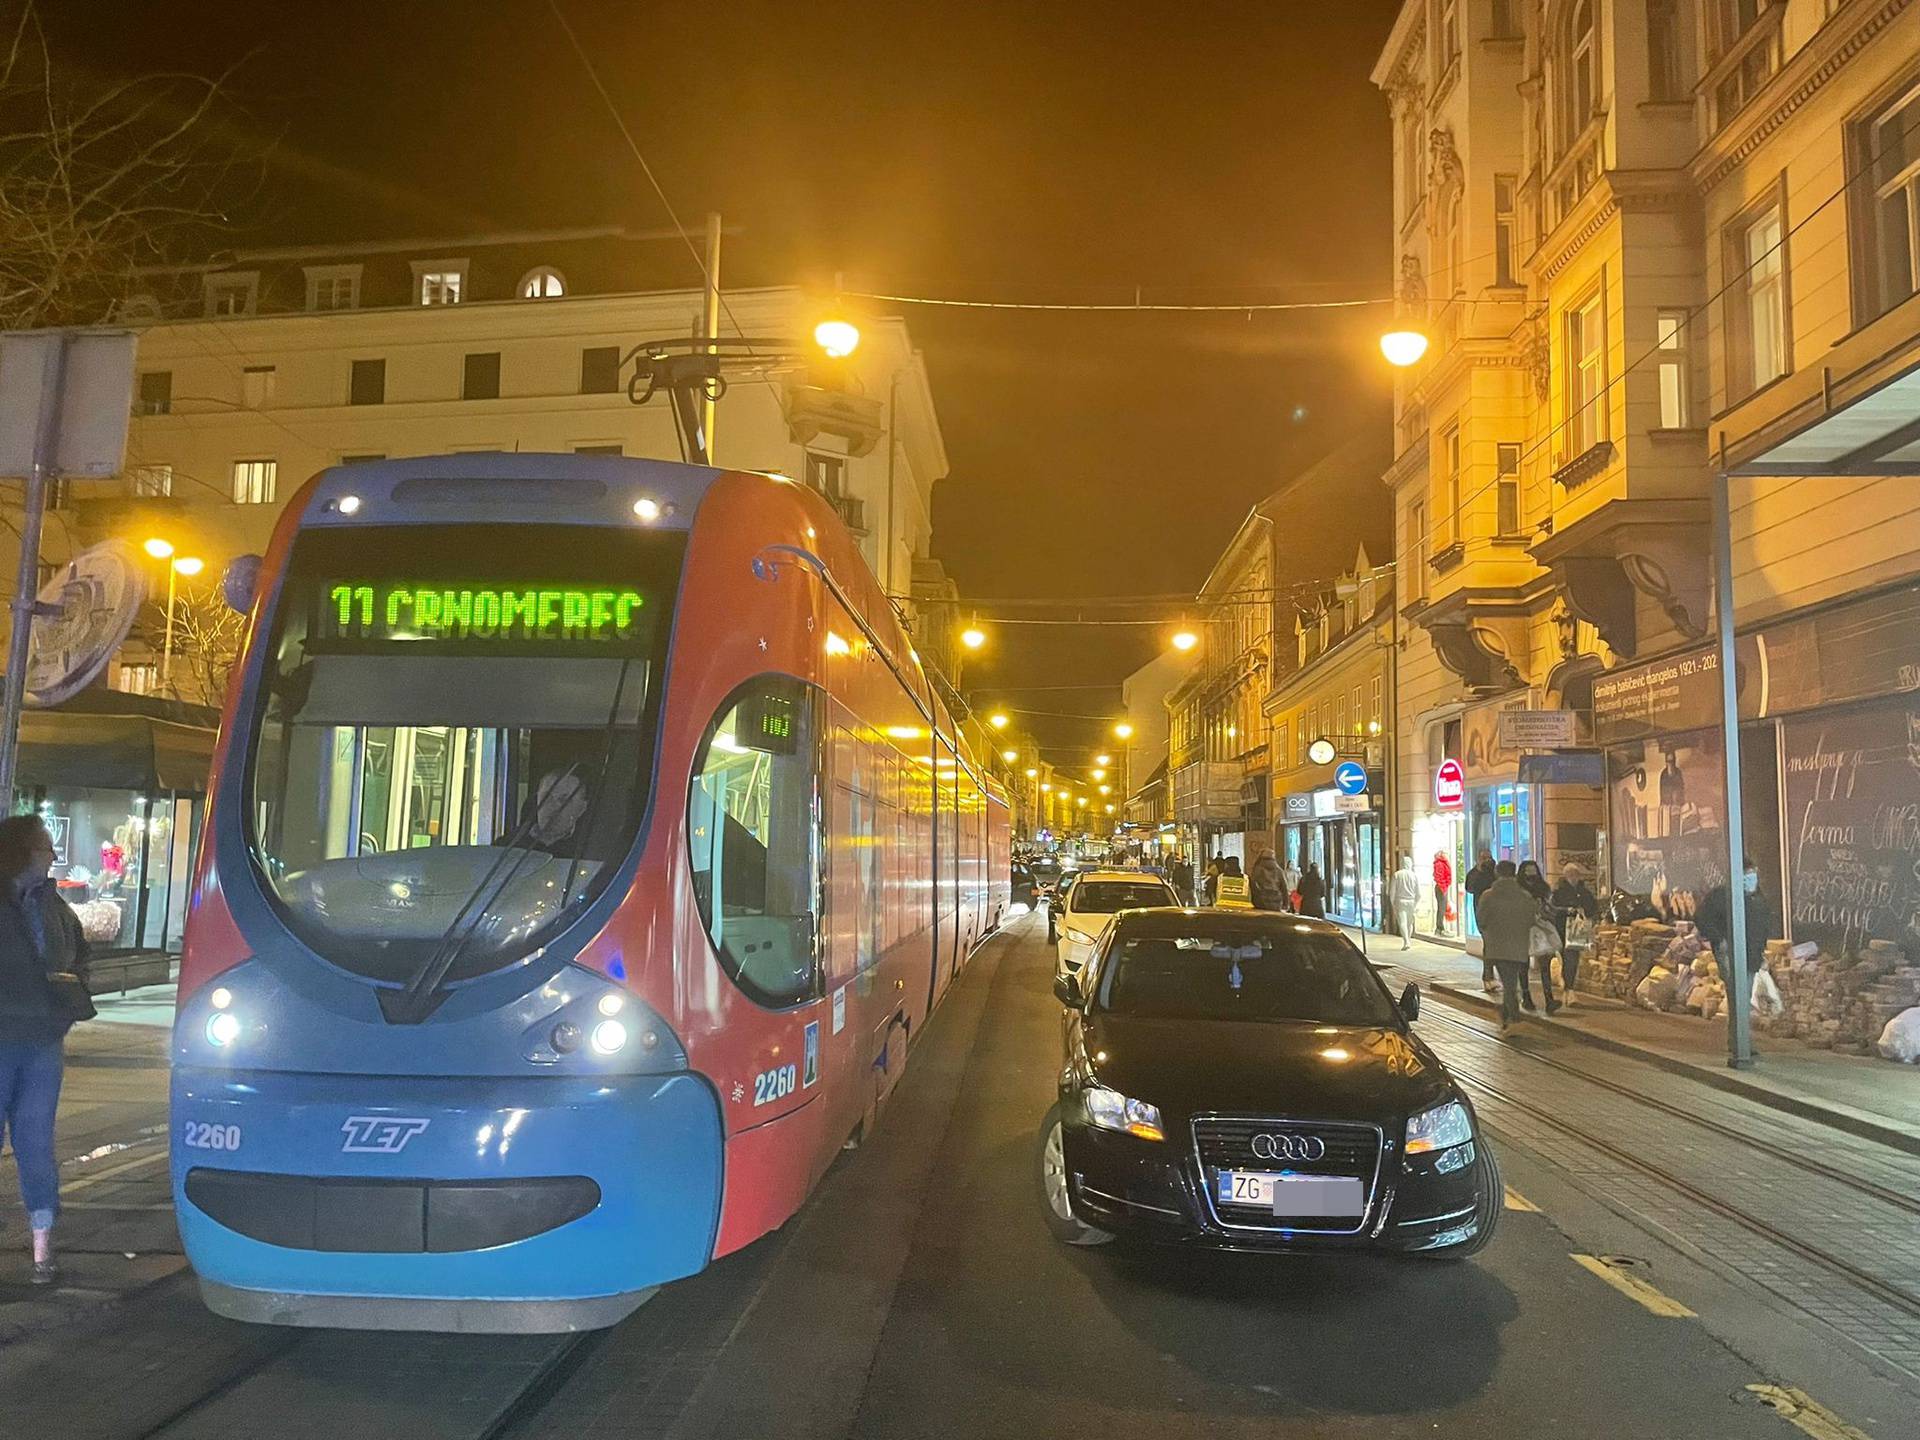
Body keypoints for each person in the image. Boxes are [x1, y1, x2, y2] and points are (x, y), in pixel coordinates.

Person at [0, 814, 90, 1286]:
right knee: (29, 1141)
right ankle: (40, 1251)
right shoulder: (26, 905)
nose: (51, 856)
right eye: (44, 847)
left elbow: (78, 961)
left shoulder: (53, 908)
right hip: (13, 1037)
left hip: (40, 1039)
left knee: (36, 1144)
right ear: (21, 850)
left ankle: (42, 1251)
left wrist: (67, 1008)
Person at [1696, 858, 1781, 1005]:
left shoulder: (1758, 899)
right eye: (1748, 873)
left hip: (1752, 957)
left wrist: (1761, 953)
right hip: (1730, 955)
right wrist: (1719, 939)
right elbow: (1702, 918)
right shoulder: (1721, 896)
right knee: (1737, 997)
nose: (1752, 877)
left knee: (1745, 996)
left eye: (1753, 873)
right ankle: (1737, 1025)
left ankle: (1741, 1023)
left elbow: (1763, 926)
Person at [1476, 860, 1539, 1031]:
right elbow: (1532, 920)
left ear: (1497, 873)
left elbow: (1481, 920)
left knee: (1510, 984)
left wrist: (1490, 933)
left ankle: (1512, 1018)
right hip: (1518, 946)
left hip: (1496, 946)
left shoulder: (1488, 896)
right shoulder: (1524, 896)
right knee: (1511, 982)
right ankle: (1510, 1017)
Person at [1550, 863, 1600, 994]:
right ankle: (1567, 985)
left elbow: (1593, 907)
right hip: (1562, 928)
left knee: (1572, 957)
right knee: (1567, 957)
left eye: (1576, 875)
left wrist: (1586, 913)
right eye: (1571, 875)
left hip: (1577, 930)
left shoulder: (1584, 892)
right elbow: (1552, 909)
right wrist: (1567, 910)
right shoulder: (1558, 892)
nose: (1574, 877)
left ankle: (1568, 986)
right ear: (1565, 876)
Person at [1463, 848, 1498, 992]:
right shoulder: (1474, 873)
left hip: (1498, 913)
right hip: (1483, 913)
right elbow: (1470, 888)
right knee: (1489, 945)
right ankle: (1488, 977)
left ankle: (1491, 977)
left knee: (1495, 946)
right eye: (1484, 858)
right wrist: (1478, 870)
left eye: (1489, 857)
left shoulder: (1496, 872)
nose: (1487, 861)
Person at [1388, 854, 1420, 950]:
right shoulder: (1414, 876)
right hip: (1411, 901)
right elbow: (1419, 893)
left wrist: (1393, 903)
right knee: (1409, 923)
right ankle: (1408, 940)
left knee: (1402, 922)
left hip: (1400, 901)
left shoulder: (1397, 875)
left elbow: (1392, 892)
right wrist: (1416, 904)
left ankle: (1406, 941)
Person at [1430, 850, 1453, 938]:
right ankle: (1440, 928)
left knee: (1442, 908)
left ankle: (1440, 928)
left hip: (1443, 887)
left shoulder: (1441, 863)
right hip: (1441, 888)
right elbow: (1439, 876)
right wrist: (1443, 888)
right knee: (1442, 908)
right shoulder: (1440, 863)